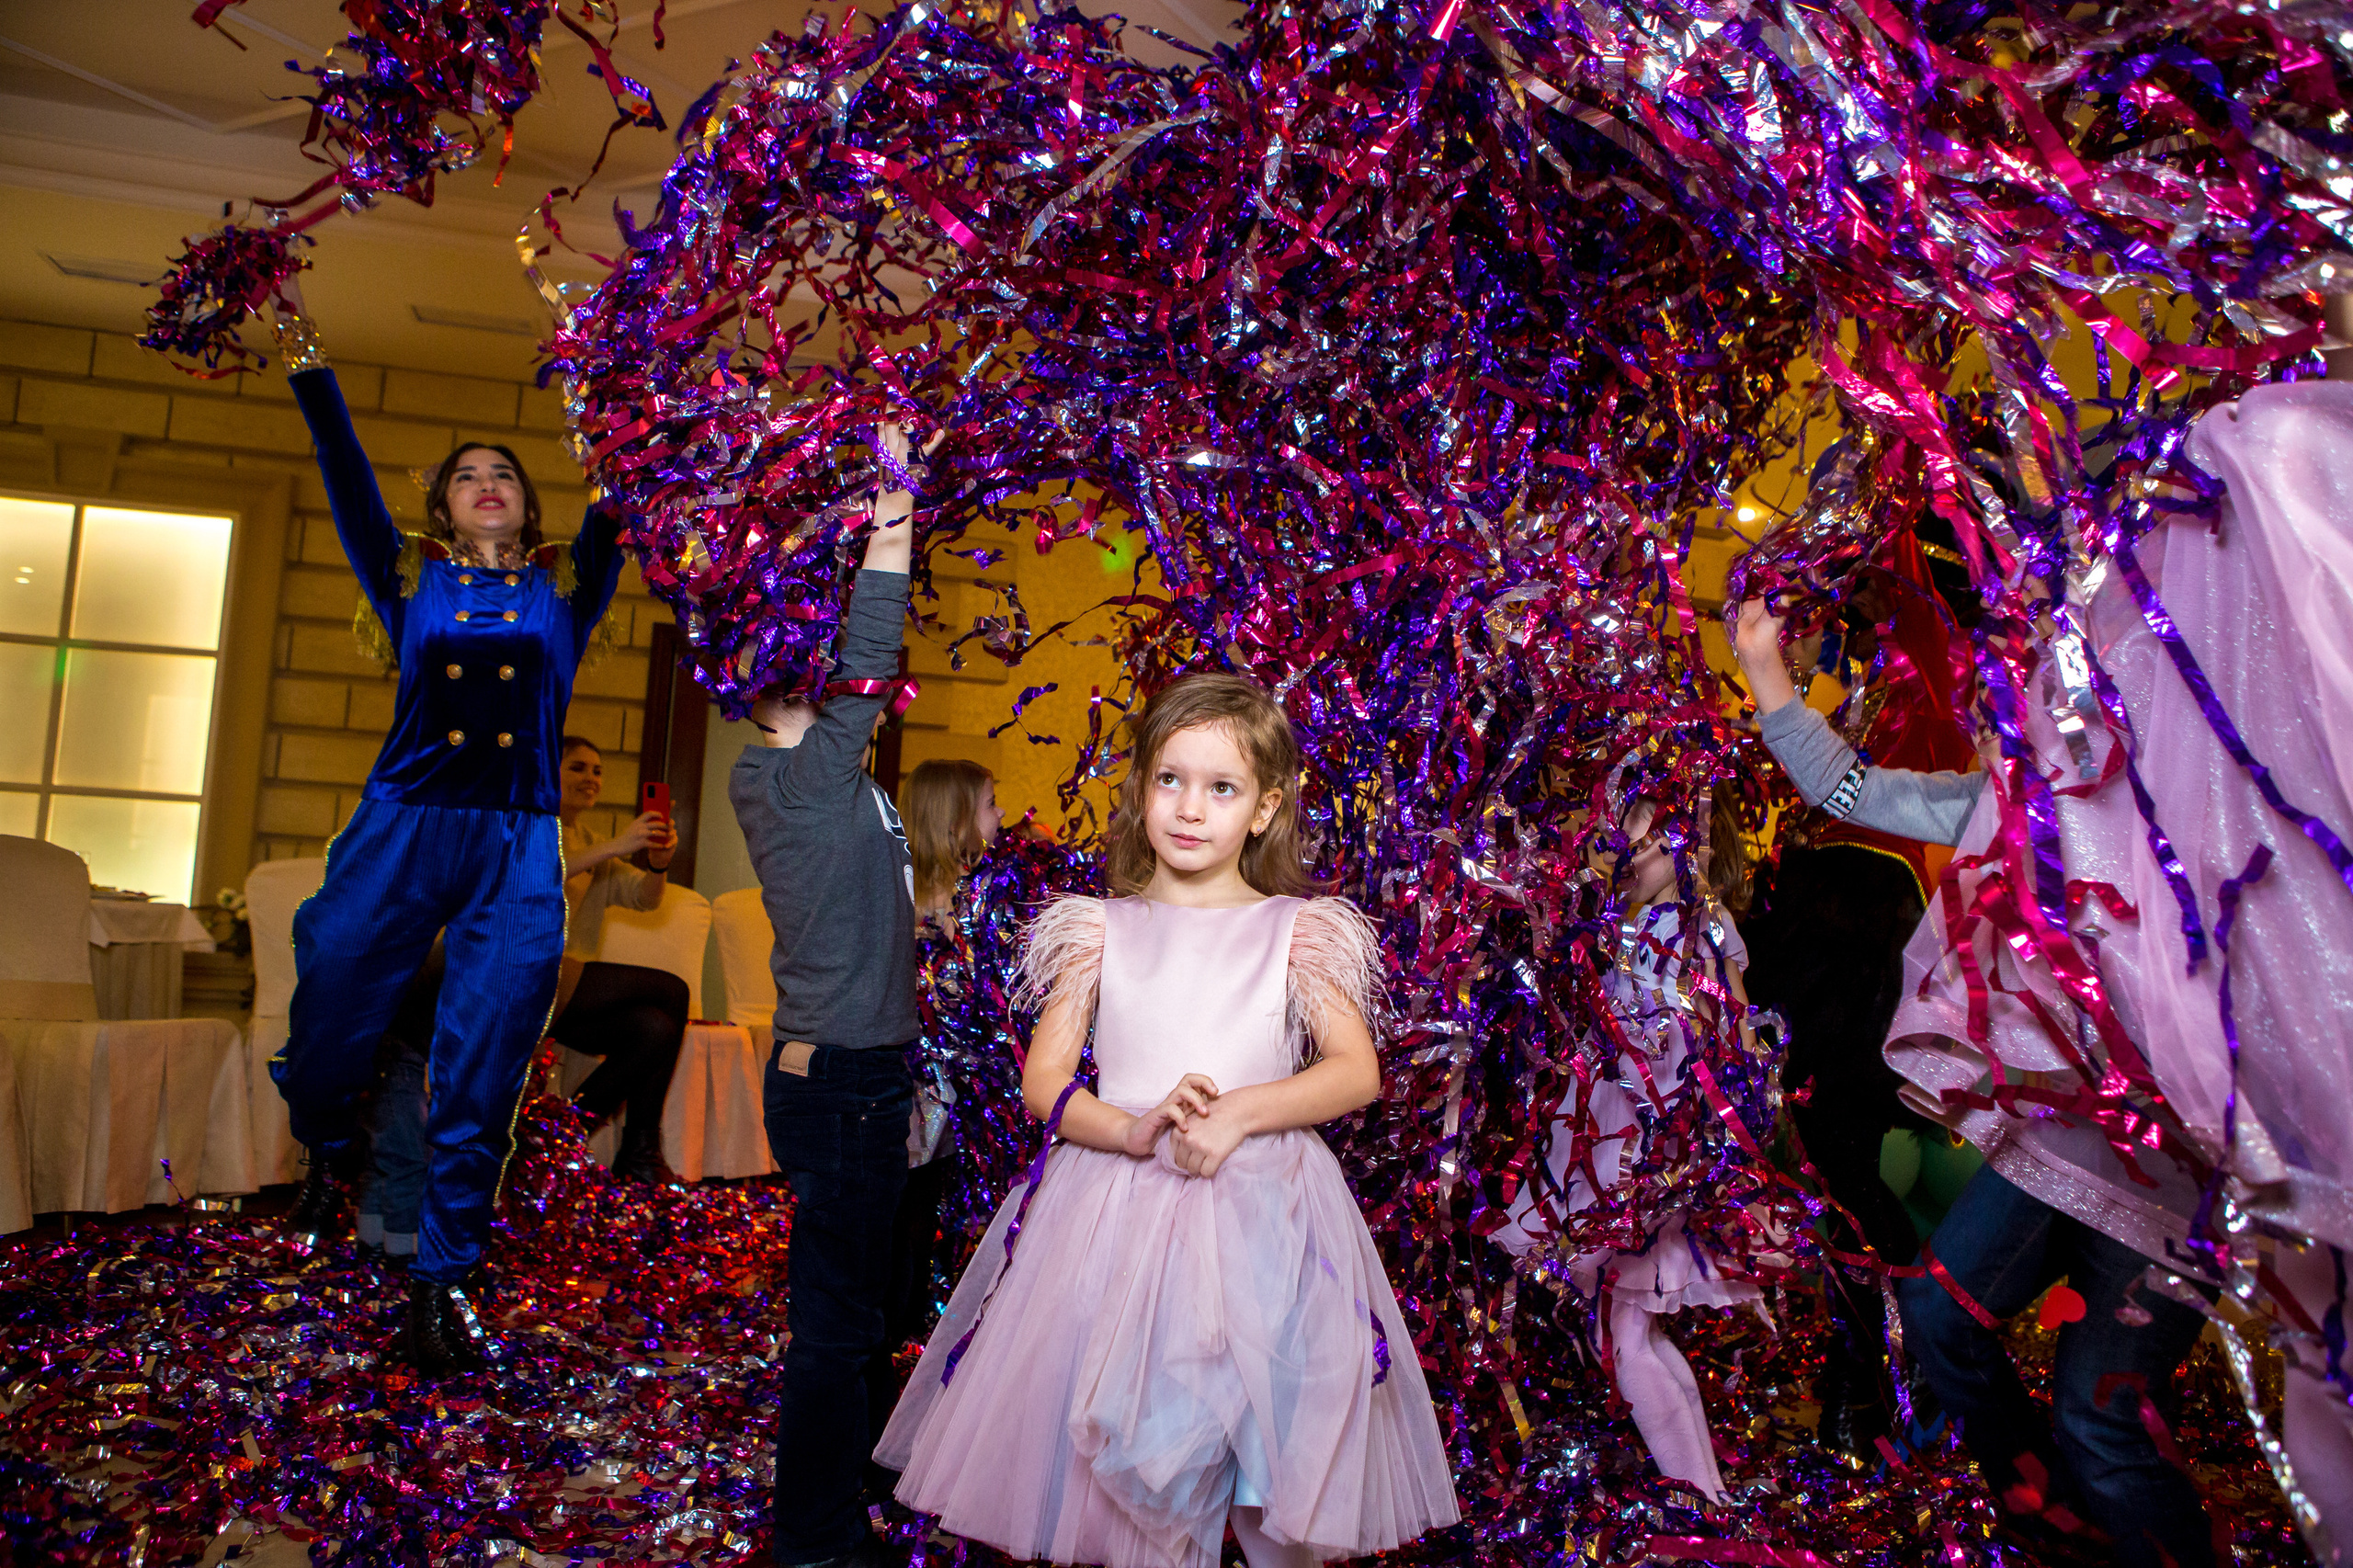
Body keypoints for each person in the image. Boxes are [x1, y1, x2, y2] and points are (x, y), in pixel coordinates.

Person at [877, 673, 1460, 1568]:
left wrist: (1239, 1112)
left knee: (1273, 1472)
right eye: (1170, 780)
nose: (1191, 807)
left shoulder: (1299, 930)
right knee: (1134, 1479)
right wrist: (1134, 1129)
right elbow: (1046, 1083)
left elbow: (1355, 1070)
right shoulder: (1097, 930)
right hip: (1117, 1218)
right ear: (1142, 786)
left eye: (1221, 787)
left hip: (1269, 1218)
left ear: (1264, 807)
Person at [1733, 595, 2219, 1567]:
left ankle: (2124, 1523)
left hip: (2169, 1162)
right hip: (2053, 1146)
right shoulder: (2000, 799)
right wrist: (1761, 666)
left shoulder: (2187, 807)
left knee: (2099, 1417)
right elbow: (1847, 789)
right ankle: (2059, 1522)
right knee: (1935, 1314)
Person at [262, 276, 626, 1378]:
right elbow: (344, 478)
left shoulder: (568, 593)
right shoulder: (407, 579)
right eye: (465, 475)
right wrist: (309, 368)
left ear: (527, 503)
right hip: (403, 825)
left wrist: (635, 386)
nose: (484, 484)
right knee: (327, 1012)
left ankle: (442, 1279)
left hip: (517, 845)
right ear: (443, 506)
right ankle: (330, 1142)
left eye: (502, 474)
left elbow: (623, 491)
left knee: (486, 1068)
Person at [733, 422, 930, 1568]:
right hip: (842, 1080)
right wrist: (895, 508)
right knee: (836, 1327)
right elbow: (872, 642)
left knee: (860, 1313)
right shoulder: (801, 775)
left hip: (856, 1073)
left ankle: (846, 1489)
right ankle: (812, 1539)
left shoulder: (810, 778)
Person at [1488, 778, 1765, 1502]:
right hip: (1621, 1142)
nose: (1627, 854)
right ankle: (1708, 1496)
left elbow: (1729, 1035)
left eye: (1644, 840)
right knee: (1631, 1330)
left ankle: (1702, 1502)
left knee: (1624, 1335)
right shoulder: (1648, 927)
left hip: (1640, 1154)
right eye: (1622, 838)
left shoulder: (1690, 925)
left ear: (1685, 847)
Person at [357, 737, 685, 1256]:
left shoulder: (591, 838)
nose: (591, 778)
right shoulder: (523, 823)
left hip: (561, 990)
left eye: (598, 771)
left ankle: (560, 1133)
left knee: (655, 1028)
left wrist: (659, 863)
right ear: (546, 772)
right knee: (672, 989)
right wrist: (615, 847)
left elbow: (644, 899)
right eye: (577, 767)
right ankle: (637, 1148)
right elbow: (523, 883)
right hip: (519, 976)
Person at [864, 758, 1007, 1497]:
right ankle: (879, 1434)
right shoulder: (922, 916)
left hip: (953, 1129)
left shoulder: (975, 907)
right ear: (954, 822)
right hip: (913, 1127)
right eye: (989, 806)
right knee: (899, 1268)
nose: (1001, 819)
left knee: (926, 1267)